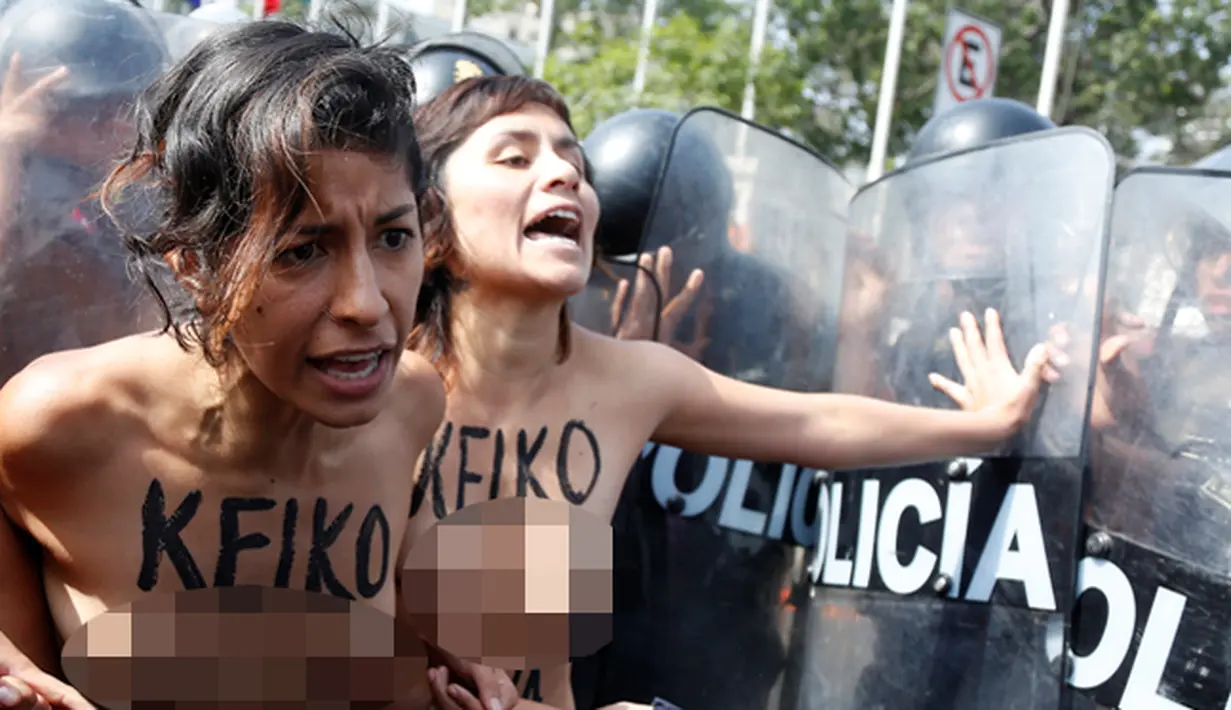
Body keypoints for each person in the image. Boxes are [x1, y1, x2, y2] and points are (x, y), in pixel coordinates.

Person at [403, 75, 1059, 710]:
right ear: (430, 223)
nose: (563, 173)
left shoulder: (630, 382)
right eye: (515, 157)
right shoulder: (376, 390)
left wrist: (987, 424)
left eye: (573, 159)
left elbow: (816, 428)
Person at [0, 19, 518, 710]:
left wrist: (441, 626)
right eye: (302, 250)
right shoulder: (68, 421)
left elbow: (401, 532)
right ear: (195, 270)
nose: (366, 304)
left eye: (393, 237)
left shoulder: (411, 401)